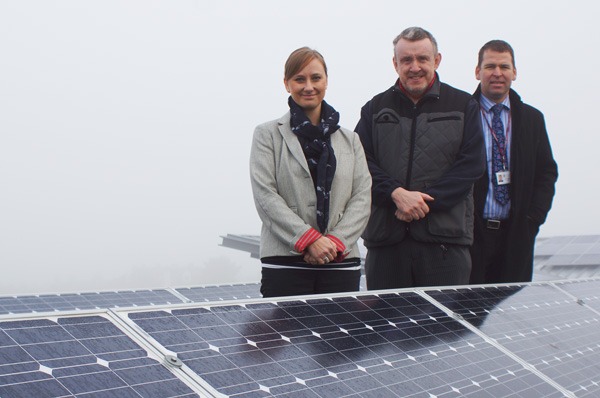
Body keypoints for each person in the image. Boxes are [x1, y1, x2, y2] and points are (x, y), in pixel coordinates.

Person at [355, 27, 485, 289]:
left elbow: (471, 165)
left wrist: (422, 202)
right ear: (395, 64)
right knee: (384, 329)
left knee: (442, 329)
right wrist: (396, 194)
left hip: (445, 247)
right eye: (406, 60)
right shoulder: (375, 109)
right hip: (386, 247)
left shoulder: (463, 106)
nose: (415, 67)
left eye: (422, 59)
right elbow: (360, 162)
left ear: (436, 60)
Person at [249, 47, 371, 298]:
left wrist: (336, 243)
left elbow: (362, 197)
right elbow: (265, 195)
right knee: (285, 337)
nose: (308, 86)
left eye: (316, 78)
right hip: (285, 261)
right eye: (299, 79)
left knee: (339, 336)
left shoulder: (351, 140)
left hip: (340, 260)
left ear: (326, 81)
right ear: (286, 84)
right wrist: (309, 240)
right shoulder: (267, 135)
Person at [470, 40, 558, 284]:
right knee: (469, 312)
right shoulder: (462, 115)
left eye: (504, 66)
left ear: (514, 72)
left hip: (517, 236)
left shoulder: (532, 119)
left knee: (511, 316)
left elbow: (546, 172)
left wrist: (532, 220)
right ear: (478, 72)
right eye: (489, 66)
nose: (497, 73)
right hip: (472, 237)